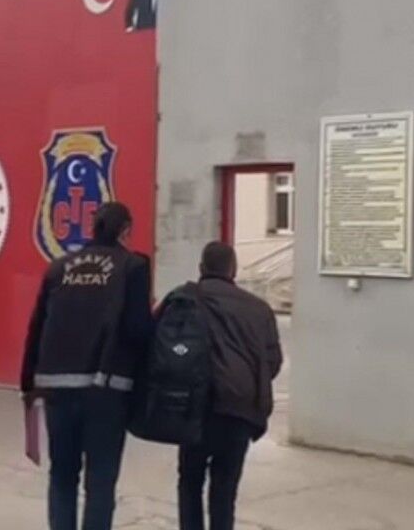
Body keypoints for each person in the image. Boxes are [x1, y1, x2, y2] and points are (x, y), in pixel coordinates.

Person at [21, 202, 154, 530]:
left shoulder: (59, 268)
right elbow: (137, 331)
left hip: (56, 387)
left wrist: (27, 382)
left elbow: (37, 325)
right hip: (105, 390)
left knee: (62, 474)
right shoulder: (133, 266)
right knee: (100, 480)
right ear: (125, 231)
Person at [177, 242, 283, 530]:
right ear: (233, 270)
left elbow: (168, 349)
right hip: (240, 410)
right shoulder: (259, 309)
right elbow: (272, 361)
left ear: (201, 268)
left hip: (196, 408)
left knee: (190, 481)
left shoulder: (186, 298)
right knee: (224, 489)